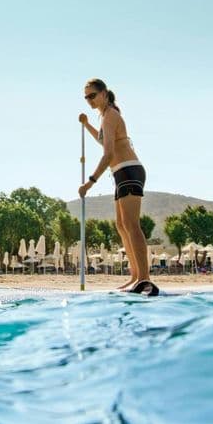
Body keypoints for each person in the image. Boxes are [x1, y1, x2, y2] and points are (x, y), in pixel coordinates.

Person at [78, 79, 149, 291]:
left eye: (92, 95)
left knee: (131, 225)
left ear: (104, 94)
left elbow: (108, 154)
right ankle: (135, 276)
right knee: (121, 225)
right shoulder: (105, 117)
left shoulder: (110, 115)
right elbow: (104, 141)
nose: (89, 100)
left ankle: (144, 278)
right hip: (120, 173)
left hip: (129, 170)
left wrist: (90, 182)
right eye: (86, 97)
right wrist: (87, 125)